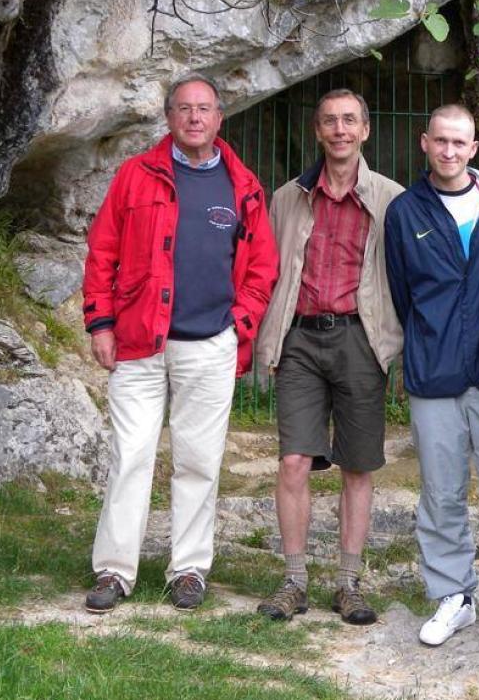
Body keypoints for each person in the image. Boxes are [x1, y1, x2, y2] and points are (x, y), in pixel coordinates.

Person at [81, 72, 280, 613]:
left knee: (198, 461)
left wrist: (240, 324)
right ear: (169, 118)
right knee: (130, 456)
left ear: (220, 119)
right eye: (184, 108)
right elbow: (102, 251)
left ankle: (188, 570)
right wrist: (100, 323)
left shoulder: (243, 186)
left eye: (205, 109)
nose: (195, 117)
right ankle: (113, 571)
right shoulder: (135, 175)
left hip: (208, 345)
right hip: (139, 343)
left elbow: (263, 267)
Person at [384, 104, 479, 657]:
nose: (450, 151)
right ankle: (453, 594)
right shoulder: (405, 211)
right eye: (441, 141)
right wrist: (429, 343)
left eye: (461, 142)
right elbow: (403, 295)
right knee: (441, 494)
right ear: (424, 143)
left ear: (476, 147)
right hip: (434, 373)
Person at [253, 88, 404, 626]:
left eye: (349, 121)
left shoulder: (393, 199)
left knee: (357, 466)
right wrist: (263, 339)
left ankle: (348, 583)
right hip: (299, 339)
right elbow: (268, 273)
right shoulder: (287, 197)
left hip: (360, 341)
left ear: (365, 130)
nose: (339, 130)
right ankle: (294, 580)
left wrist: (393, 340)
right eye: (329, 122)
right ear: (317, 132)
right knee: (294, 460)